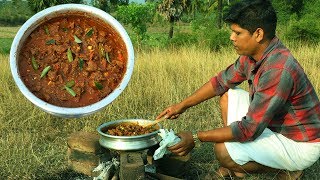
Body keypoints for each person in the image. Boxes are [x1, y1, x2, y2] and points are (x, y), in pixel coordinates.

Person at [156, 0, 320, 179]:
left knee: (223, 150)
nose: (231, 37)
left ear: (258, 34)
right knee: (227, 95)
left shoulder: (278, 69)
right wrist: (182, 105)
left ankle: (288, 170)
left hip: (300, 144)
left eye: (237, 33)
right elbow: (220, 82)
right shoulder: (253, 55)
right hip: (275, 126)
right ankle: (238, 165)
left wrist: (195, 137)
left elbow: (248, 130)